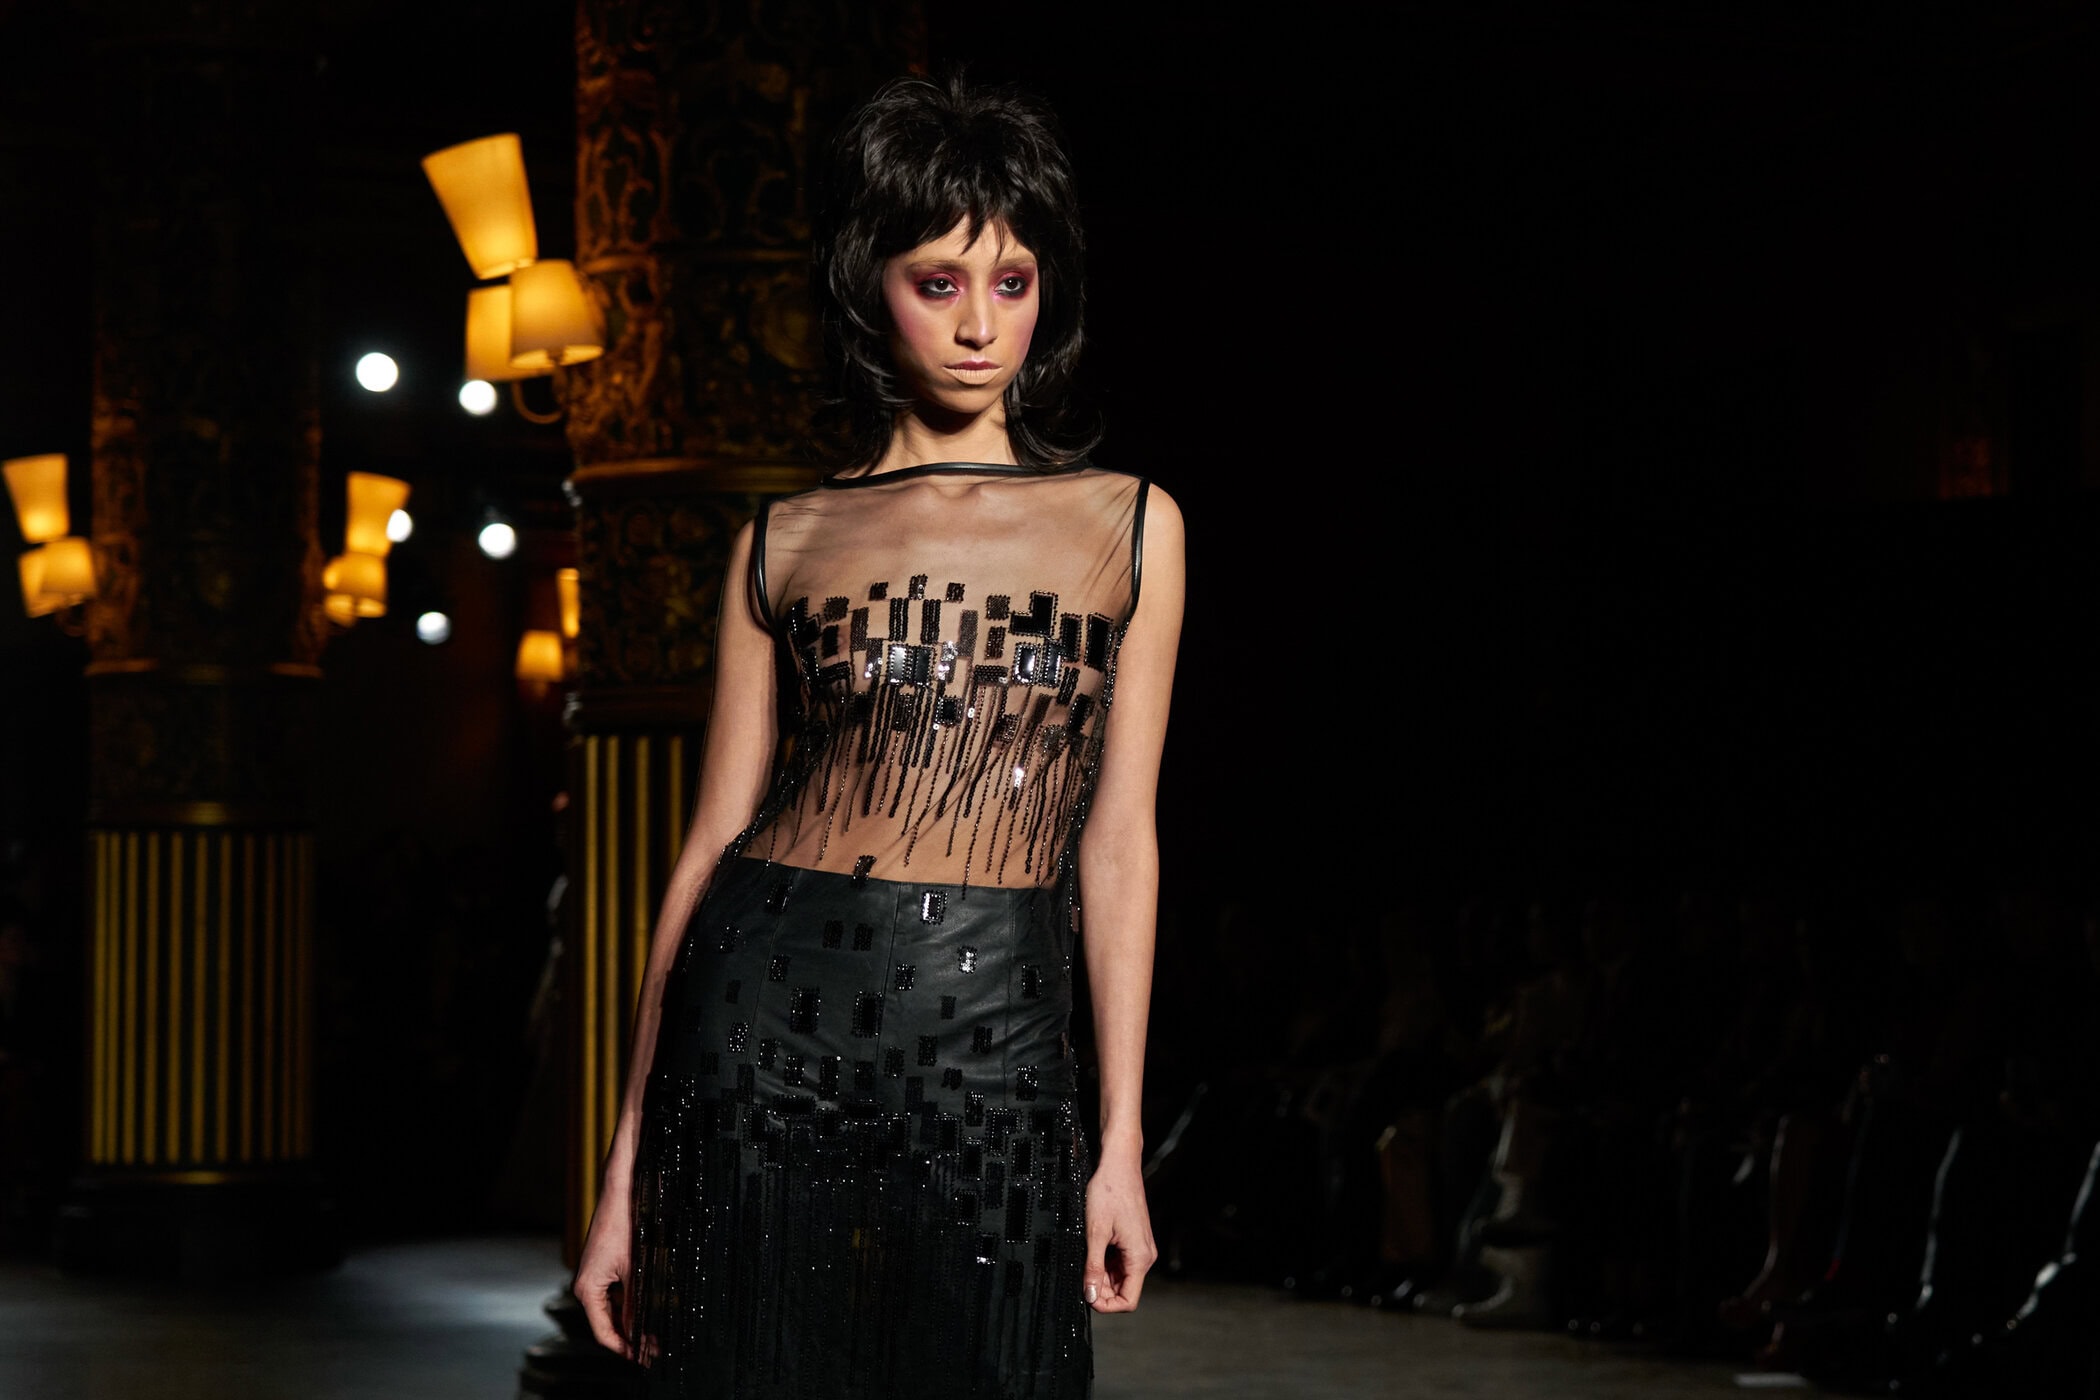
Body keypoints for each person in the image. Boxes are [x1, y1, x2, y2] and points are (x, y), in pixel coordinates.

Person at [570, 74, 1184, 1400]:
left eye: (1012, 282)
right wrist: (626, 1169)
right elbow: (708, 848)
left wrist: (1121, 1141)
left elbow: (1120, 843)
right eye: (938, 282)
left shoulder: (1131, 524)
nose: (979, 325)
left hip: (1003, 1029)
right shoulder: (785, 539)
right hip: (765, 1015)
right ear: (871, 288)